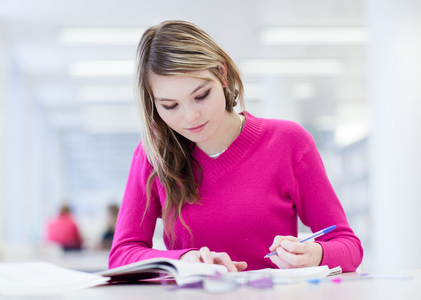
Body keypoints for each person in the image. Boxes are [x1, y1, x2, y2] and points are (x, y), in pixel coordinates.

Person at [109, 20, 363, 272]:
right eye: (170, 106)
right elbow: (122, 254)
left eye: (201, 96)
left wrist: (316, 254)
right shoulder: (154, 154)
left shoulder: (288, 142)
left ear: (222, 74)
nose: (190, 117)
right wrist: (183, 260)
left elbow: (349, 246)